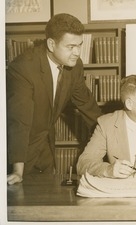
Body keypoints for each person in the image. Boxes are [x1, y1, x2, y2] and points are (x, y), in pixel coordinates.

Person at [7, 13, 102, 185]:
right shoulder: (23, 68)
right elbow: (19, 122)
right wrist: (17, 171)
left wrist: (112, 136)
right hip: (16, 151)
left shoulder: (75, 66)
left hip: (46, 147)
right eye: (71, 46)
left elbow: (88, 106)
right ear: (51, 44)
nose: (78, 53)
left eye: (80, 45)